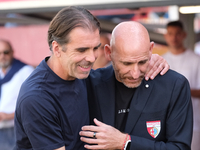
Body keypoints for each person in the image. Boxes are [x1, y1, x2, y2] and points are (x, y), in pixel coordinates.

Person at [14, 6, 169, 150]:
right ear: (57, 48)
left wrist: (148, 59)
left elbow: (124, 70)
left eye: (95, 47)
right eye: (82, 50)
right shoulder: (37, 98)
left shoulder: (81, 75)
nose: (91, 57)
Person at [79, 21, 193, 150]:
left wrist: (125, 142)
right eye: (126, 64)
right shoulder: (89, 83)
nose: (135, 73)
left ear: (150, 50)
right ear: (108, 52)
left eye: (142, 62)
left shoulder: (174, 85)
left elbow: (180, 148)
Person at [162, 20, 200, 150]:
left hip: (193, 122)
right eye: (170, 33)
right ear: (165, 36)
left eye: (177, 33)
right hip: (166, 122)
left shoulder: (196, 60)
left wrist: (180, 90)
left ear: (184, 35)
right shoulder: (161, 60)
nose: (174, 37)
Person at [0, 39, 34, 150]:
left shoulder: (25, 71)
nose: (2, 56)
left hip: (15, 129)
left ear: (12, 52)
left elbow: (33, 103)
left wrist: (8, 116)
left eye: (6, 52)